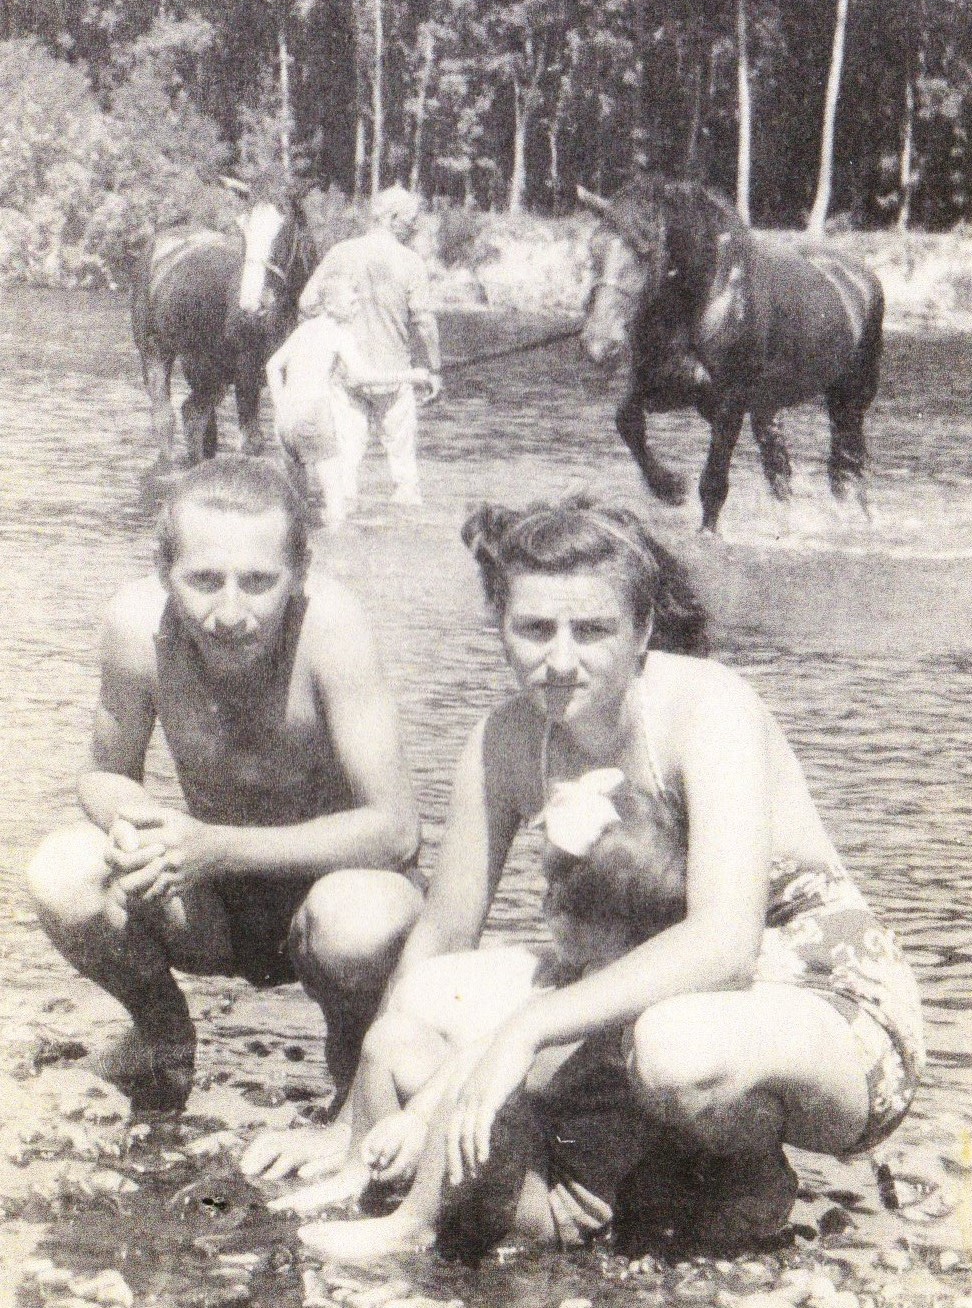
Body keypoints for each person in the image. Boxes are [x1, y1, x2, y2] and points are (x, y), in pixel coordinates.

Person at [268, 495, 922, 1262]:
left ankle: (745, 1175)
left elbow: (725, 945)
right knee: (425, 995)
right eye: (534, 629)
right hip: (649, 983)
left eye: (593, 630)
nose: (561, 659)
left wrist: (525, 1031)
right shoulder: (507, 738)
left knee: (672, 1049)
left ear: (642, 630)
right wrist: (351, 1121)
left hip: (823, 1005)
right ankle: (616, 1174)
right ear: (501, 626)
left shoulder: (706, 708)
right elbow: (443, 931)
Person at [26, 457, 424, 1112]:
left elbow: (397, 830)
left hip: (332, 897)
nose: (230, 612)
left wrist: (214, 847)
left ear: (300, 572)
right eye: (204, 581)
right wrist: (137, 822)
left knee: (358, 920)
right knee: (64, 872)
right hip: (213, 906)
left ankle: (355, 1070)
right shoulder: (137, 625)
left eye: (259, 582)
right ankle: (162, 1039)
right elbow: (104, 773)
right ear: (164, 571)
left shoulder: (332, 628)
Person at [270, 769, 687, 1218]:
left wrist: (417, 1118)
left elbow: (486, 1064)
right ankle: (355, 1174)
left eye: (561, 902)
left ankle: (412, 1222)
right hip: (519, 1150)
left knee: (492, 1099)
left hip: (555, 1196)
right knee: (392, 1040)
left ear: (612, 926)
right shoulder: (579, 975)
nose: (544, 906)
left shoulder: (610, 1008)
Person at [296, 184, 442, 518]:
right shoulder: (411, 262)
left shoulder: (340, 253)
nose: (414, 229)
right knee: (406, 479)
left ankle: (344, 535)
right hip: (395, 378)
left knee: (345, 471)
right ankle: (403, 535)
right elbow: (425, 322)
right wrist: (435, 370)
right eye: (410, 222)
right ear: (392, 219)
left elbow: (306, 303)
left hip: (348, 377)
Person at [266, 276, 433, 529]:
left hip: (284, 421)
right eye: (352, 302)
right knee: (337, 505)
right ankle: (339, 545)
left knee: (297, 506)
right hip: (313, 415)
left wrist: (281, 406)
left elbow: (273, 366)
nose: (357, 306)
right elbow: (364, 377)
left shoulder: (304, 329)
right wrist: (411, 375)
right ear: (330, 305)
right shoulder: (339, 335)